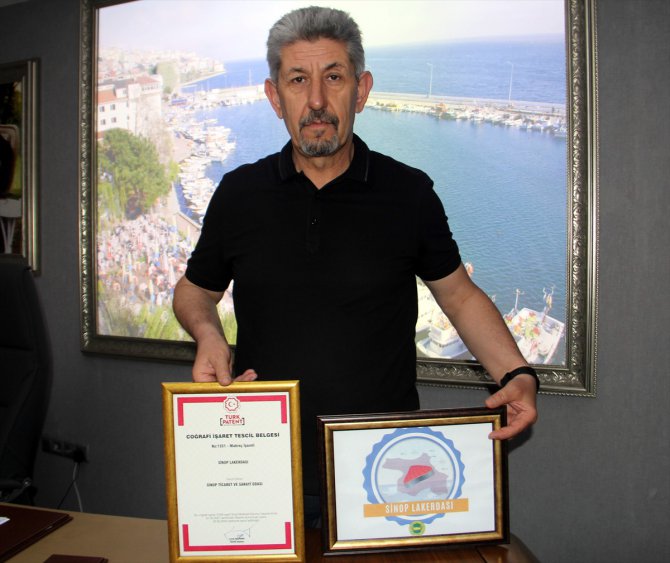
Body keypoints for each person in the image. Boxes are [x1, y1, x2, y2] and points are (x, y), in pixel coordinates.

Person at [173, 5, 538, 526]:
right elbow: (194, 291)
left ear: (361, 91)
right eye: (298, 80)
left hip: (384, 469)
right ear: (275, 97)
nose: (316, 100)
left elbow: (459, 297)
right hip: (261, 469)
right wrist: (209, 334)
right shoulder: (238, 195)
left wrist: (517, 373)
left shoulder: (409, 193)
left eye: (334, 77)